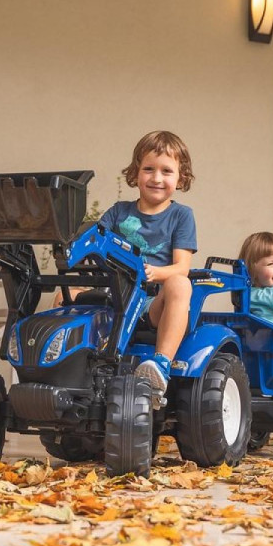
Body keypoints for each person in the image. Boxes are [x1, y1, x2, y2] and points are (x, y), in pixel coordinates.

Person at [99, 130, 197, 402]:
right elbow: (95, 242)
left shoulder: (181, 216)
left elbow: (181, 267)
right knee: (63, 295)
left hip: (148, 303)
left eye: (166, 171)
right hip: (112, 296)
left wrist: (154, 273)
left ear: (181, 178)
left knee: (180, 283)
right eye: (148, 169)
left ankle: (161, 364)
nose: (156, 178)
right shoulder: (119, 211)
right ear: (135, 173)